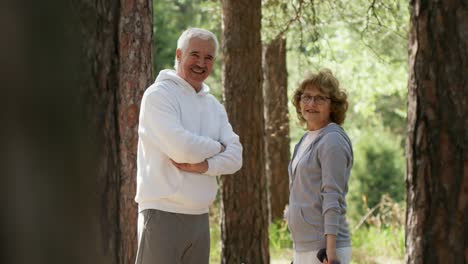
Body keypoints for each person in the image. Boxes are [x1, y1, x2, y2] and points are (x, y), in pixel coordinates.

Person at [134, 28, 242, 264]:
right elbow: (181, 149)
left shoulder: (214, 106)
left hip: (199, 218)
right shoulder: (158, 96)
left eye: (209, 57)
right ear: (179, 54)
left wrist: (204, 166)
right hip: (162, 213)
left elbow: (236, 158)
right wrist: (219, 147)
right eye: (195, 55)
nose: (201, 63)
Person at [287, 69, 353, 264]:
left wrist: (330, 253)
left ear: (332, 105)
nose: (311, 104)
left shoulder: (332, 140)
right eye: (306, 97)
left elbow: (333, 196)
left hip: (323, 250)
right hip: (305, 246)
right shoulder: (306, 139)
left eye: (320, 98)